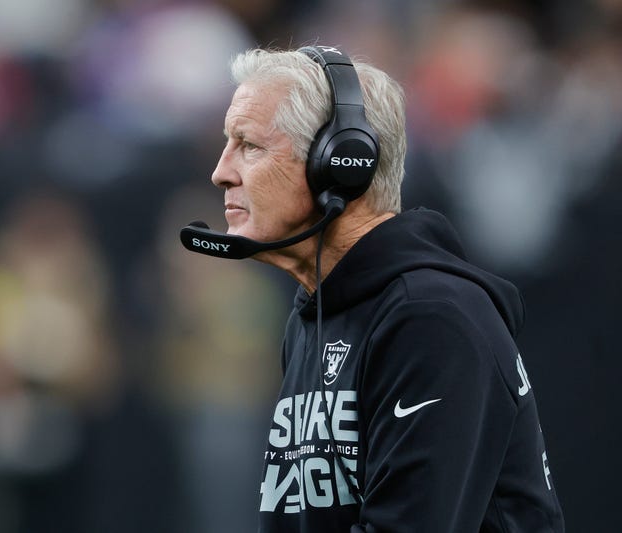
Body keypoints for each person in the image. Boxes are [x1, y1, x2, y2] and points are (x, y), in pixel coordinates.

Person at [182, 45, 565, 532]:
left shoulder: (433, 319)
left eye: (249, 145)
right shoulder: (315, 316)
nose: (221, 172)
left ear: (341, 164)